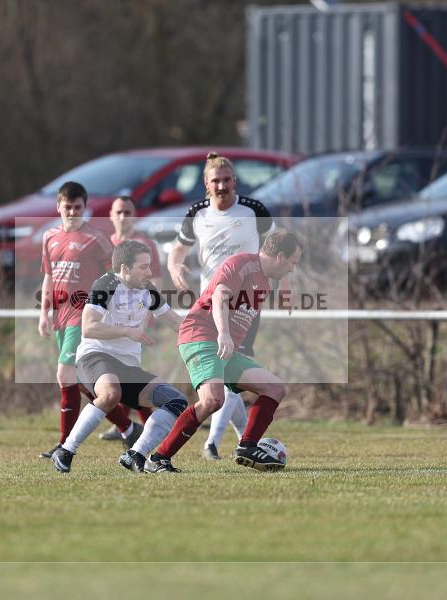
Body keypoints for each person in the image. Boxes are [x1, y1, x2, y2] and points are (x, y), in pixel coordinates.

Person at [146, 229, 302, 473]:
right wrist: (224, 334)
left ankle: (247, 447)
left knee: (275, 387)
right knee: (212, 400)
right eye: (293, 262)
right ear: (280, 256)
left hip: (225, 348)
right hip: (201, 335)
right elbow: (220, 296)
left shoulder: (264, 280)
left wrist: (285, 289)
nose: (292, 269)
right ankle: (158, 459)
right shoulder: (241, 264)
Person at [166, 152, 277, 461]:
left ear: (234, 181)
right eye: (216, 180)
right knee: (229, 377)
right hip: (210, 305)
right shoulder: (197, 213)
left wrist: (286, 284)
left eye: (227, 180)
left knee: (231, 375)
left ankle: (224, 442)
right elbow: (176, 252)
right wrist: (176, 269)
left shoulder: (254, 210)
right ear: (206, 184)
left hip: (244, 304)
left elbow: (276, 248)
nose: (222, 186)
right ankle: (228, 442)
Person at [51, 240, 188, 473]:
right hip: (96, 355)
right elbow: (88, 327)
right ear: (125, 268)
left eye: (150, 266)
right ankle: (65, 450)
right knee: (111, 394)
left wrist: (209, 334)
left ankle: (136, 454)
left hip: (127, 366)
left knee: (177, 401)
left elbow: (176, 322)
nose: (149, 272)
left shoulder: (148, 291)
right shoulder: (107, 284)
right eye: (143, 267)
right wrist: (127, 331)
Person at [37, 182, 141, 459]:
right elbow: (49, 276)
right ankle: (128, 427)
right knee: (80, 382)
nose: (72, 212)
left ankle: (64, 445)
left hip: (83, 317)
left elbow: (116, 274)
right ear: (58, 207)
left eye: (78, 207)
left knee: (65, 374)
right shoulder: (49, 237)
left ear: (86, 208)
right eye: (67, 207)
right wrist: (44, 313)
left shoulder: (96, 238)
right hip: (60, 315)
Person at [98, 196, 163, 441]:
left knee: (129, 373)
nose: (123, 216)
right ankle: (124, 427)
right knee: (116, 372)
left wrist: (148, 315)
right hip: (109, 321)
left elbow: (154, 280)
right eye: (119, 212)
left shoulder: (144, 243)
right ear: (111, 216)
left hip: (134, 320)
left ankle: (144, 428)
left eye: (128, 211)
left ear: (134, 215)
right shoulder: (105, 244)